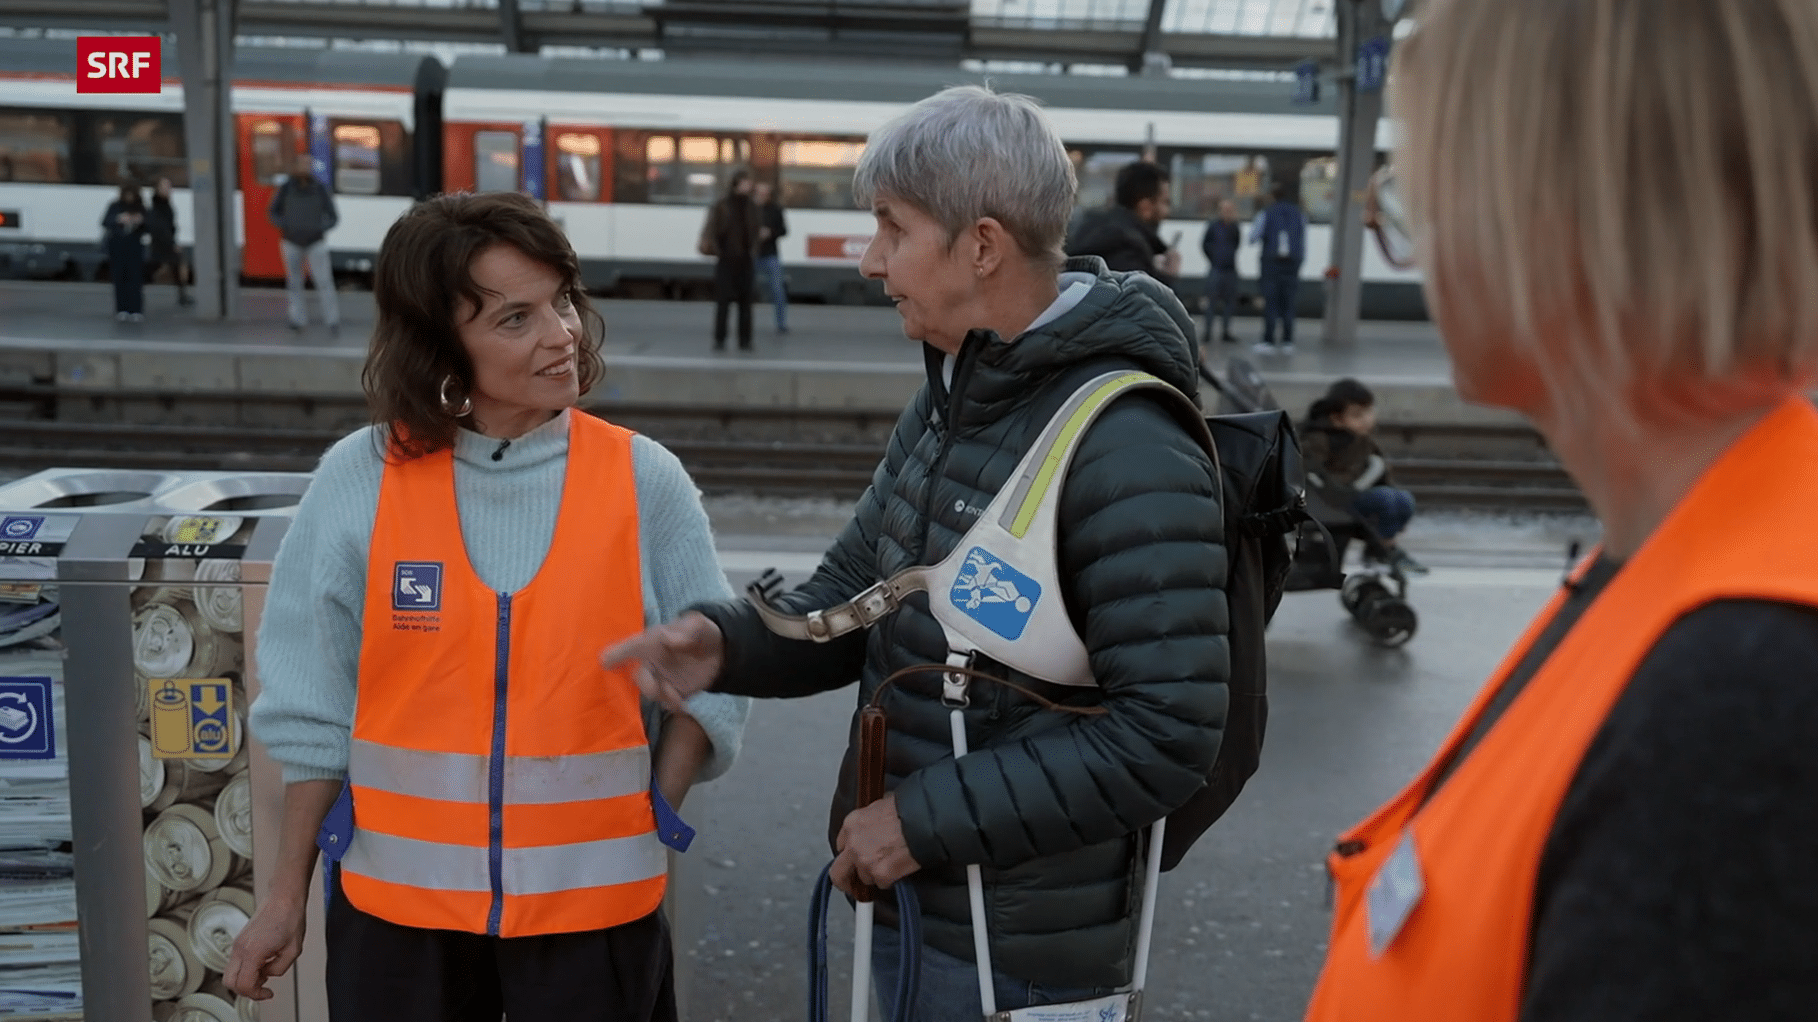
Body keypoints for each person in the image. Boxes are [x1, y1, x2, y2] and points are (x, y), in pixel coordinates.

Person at [606, 85, 1229, 1020]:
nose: (868, 261)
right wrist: (727, 645)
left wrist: (921, 822)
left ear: (982, 245)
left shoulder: (1128, 443)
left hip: (1020, 956)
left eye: (891, 229)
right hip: (918, 905)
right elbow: (857, 595)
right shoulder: (953, 397)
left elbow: (1169, 733)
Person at [1305, 2, 1818, 1020]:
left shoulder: (1747, 707)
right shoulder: (1677, 568)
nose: (1404, 239)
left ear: (1550, 215)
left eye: (1416, 193)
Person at [224, 191, 749, 1022]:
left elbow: (724, 665)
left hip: (595, 916)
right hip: (396, 919)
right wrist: (284, 898)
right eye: (515, 319)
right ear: (440, 345)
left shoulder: (644, 480)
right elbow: (312, 712)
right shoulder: (361, 479)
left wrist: (660, 806)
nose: (562, 333)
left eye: (561, 301)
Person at [1298, 378, 1425, 575]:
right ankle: (1383, 549)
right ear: (1337, 419)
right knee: (1386, 499)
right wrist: (1341, 494)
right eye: (1357, 415)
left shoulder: (1363, 441)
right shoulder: (1318, 440)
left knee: (1404, 500)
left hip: (1356, 495)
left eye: (1369, 412)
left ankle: (1381, 546)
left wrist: (1394, 502)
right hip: (1334, 502)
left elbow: (1380, 471)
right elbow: (1313, 473)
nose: (1367, 420)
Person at [1065, 159, 1180, 288]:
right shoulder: (1127, 247)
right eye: (1165, 202)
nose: (1167, 212)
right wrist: (1169, 278)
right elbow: (1135, 300)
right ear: (1145, 207)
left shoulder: (1098, 229)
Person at [269, 152, 341, 333]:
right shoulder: (285, 188)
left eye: (308, 165)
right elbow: (272, 212)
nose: (305, 168)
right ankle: (297, 319)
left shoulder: (320, 189)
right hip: (291, 242)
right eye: (302, 165)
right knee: (294, 282)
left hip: (316, 242)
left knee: (324, 281)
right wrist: (286, 226)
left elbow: (333, 216)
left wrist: (320, 228)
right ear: (296, 167)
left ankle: (332, 320)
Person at [700, 169, 760, 351]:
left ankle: (745, 340)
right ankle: (720, 338)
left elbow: (755, 230)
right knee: (723, 303)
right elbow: (711, 228)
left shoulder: (752, 206)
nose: (749, 185)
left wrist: (753, 248)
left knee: (746, 304)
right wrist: (717, 248)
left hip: (745, 260)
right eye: (746, 182)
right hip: (726, 259)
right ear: (737, 183)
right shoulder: (722, 205)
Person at [1251, 182, 1305, 355]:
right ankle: (1288, 341)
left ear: (1272, 196)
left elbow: (1254, 237)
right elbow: (1303, 238)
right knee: (1289, 303)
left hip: (1271, 264)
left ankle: (1269, 340)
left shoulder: (1266, 213)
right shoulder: (1299, 214)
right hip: (1292, 265)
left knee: (1271, 303)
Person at [101, 183, 148, 322]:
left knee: (135, 279)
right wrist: (119, 219)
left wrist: (140, 221)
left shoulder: (141, 208)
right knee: (119, 278)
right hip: (118, 247)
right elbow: (105, 222)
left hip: (134, 247)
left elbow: (149, 225)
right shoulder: (115, 206)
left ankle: (136, 309)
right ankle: (122, 309)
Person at [1200, 198, 1243, 346]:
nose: (1228, 213)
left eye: (1230, 211)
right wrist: (1213, 257)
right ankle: (1207, 332)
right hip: (1216, 268)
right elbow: (1205, 244)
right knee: (1211, 301)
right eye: (1225, 210)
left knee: (1229, 303)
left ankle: (1225, 331)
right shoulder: (1213, 226)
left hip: (1230, 269)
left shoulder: (1234, 227)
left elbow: (1237, 243)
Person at [146, 177, 191, 308]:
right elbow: (161, 227)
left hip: (164, 242)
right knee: (156, 266)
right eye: (165, 187)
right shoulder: (159, 206)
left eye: (169, 187)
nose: (168, 190)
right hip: (162, 244)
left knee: (174, 266)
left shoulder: (164, 204)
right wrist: (172, 243)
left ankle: (182, 295)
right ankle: (182, 295)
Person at [753, 180, 789, 334]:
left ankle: (781, 324)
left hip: (770, 254)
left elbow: (784, 230)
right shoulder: (749, 209)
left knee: (777, 290)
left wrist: (770, 233)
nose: (762, 196)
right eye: (760, 193)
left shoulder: (775, 209)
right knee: (745, 289)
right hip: (752, 254)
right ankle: (745, 323)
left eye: (765, 194)